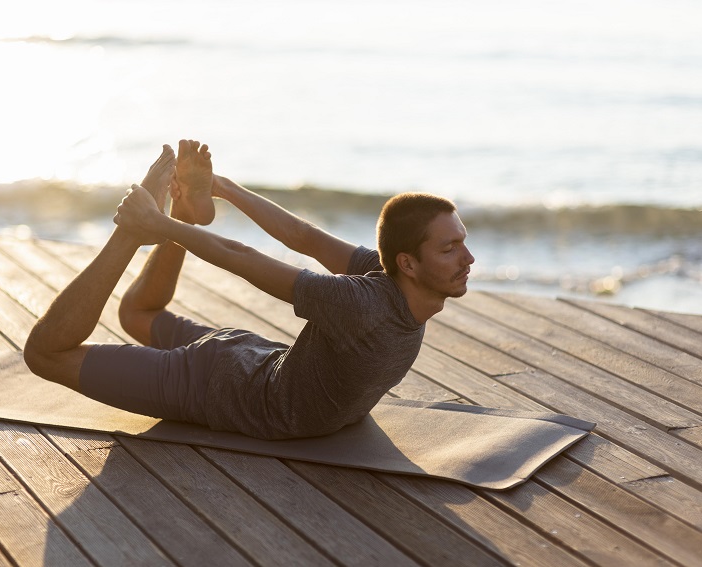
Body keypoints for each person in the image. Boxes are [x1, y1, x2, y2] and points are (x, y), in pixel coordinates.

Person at [23, 140, 475, 440]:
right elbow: (242, 257)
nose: (467, 259)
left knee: (135, 314)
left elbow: (304, 235)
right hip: (211, 387)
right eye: (450, 248)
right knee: (45, 354)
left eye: (463, 243)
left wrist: (218, 188)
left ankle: (182, 212)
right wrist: (152, 225)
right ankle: (133, 231)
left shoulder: (385, 279)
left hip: (250, 358)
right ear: (407, 263)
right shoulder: (361, 303)